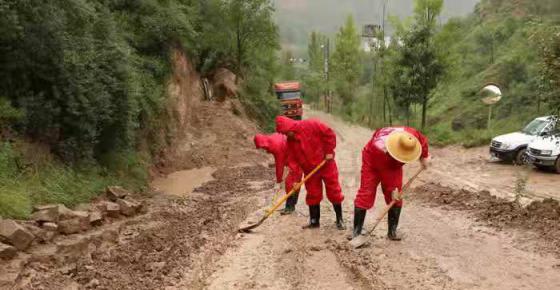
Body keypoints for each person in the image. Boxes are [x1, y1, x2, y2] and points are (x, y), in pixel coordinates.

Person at [351, 127, 430, 241]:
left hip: (392, 165)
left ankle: (392, 232)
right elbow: (385, 168)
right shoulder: (379, 147)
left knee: (396, 197)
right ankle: (356, 232)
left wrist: (424, 157)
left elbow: (422, 141)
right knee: (366, 193)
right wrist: (392, 189)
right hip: (372, 161)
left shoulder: (411, 135)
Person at [275, 116, 345, 230]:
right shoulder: (290, 142)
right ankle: (314, 222)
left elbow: (329, 134)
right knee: (313, 194)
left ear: (291, 127)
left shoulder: (311, 124)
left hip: (325, 164)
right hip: (310, 171)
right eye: (284, 134)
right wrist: (294, 181)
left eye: (287, 132)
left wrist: (329, 151)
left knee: (334, 191)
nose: (287, 135)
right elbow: (293, 163)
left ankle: (339, 220)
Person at [254, 133, 303, 214]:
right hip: (293, 157)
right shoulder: (272, 139)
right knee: (292, 183)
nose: (262, 149)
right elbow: (281, 157)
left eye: (262, 147)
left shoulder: (275, 145)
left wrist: (279, 180)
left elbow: (279, 163)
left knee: (291, 183)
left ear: (263, 142)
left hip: (297, 159)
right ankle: (290, 206)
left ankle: (290, 208)